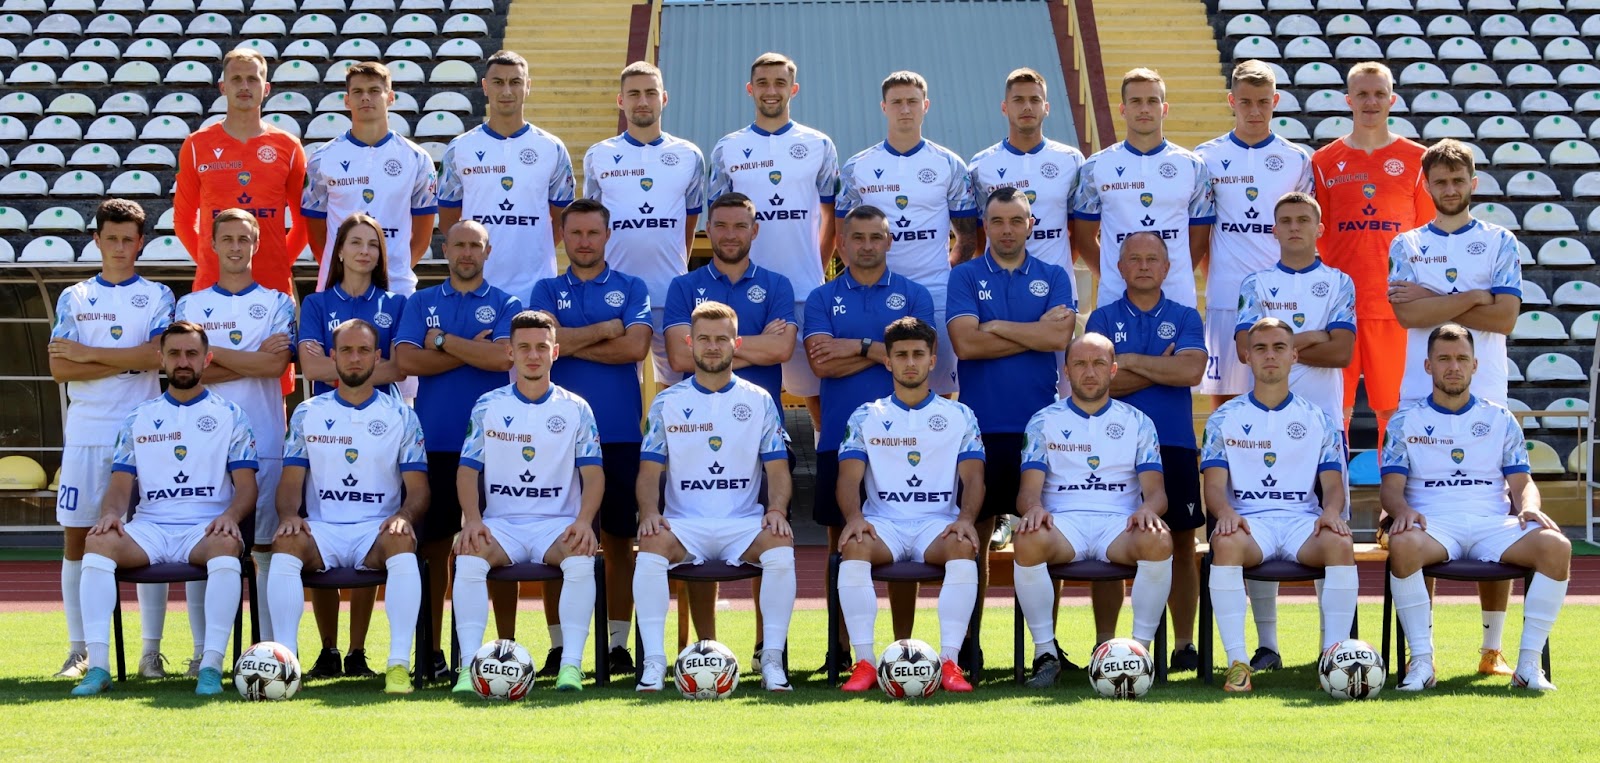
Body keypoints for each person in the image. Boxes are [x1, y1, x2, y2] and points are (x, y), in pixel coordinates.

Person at [1387, 138, 1525, 676]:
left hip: (1487, 391)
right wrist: (1474, 296)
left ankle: (1492, 648)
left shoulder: (1500, 241)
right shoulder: (1407, 243)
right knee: (1421, 514)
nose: (1449, 189)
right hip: (1419, 394)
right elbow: (1408, 317)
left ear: (1473, 183)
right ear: (1426, 185)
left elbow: (1505, 318)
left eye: (1458, 180)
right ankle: (1421, 651)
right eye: (1440, 181)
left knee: (1493, 513)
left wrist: (1438, 302)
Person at [68, 321, 258, 697]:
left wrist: (230, 517)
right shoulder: (137, 417)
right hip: (151, 528)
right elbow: (119, 486)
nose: (183, 361)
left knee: (225, 546)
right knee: (98, 542)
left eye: (191, 354)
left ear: (207, 359)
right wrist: (110, 515)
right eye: (174, 354)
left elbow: (248, 488)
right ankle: (99, 668)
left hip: (205, 529)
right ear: (161, 359)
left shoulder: (232, 415)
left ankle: (210, 668)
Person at [1382, 324, 1570, 691]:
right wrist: (1401, 510)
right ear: (1428, 365)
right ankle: (1421, 662)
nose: (1453, 367)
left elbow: (1523, 483)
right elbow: (1390, 490)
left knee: (1556, 546)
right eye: (1444, 359)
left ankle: (1528, 667)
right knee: (1403, 544)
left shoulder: (1501, 419)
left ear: (1475, 365)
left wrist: (1529, 506)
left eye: (1461, 358)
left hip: (1492, 524)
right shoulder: (1404, 422)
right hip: (1433, 525)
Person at [633, 301, 796, 693]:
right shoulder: (667, 402)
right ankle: (654, 663)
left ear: (736, 343)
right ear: (689, 342)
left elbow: (778, 469)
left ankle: (772, 660)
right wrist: (649, 512)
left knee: (780, 544)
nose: (712, 346)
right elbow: (649, 472)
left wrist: (776, 509)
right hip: (684, 525)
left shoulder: (759, 400)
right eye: (703, 338)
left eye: (721, 339)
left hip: (743, 524)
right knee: (651, 543)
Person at [945, 187, 1076, 666]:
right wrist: (1032, 332)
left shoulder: (1054, 275)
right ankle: (967, 646)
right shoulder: (964, 275)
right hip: (978, 429)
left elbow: (1059, 336)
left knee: (1041, 536)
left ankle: (1045, 650)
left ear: (1030, 224)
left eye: (1016, 220)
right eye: (997, 221)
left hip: (1040, 430)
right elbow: (966, 344)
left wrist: (995, 325)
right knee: (972, 540)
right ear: (985, 225)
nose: (1006, 230)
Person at [662, 191, 796, 649]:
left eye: (740, 225)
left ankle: (764, 648)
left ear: (755, 231)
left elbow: (783, 349)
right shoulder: (684, 286)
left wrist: (718, 349)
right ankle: (706, 647)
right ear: (707, 230)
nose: (731, 234)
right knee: (698, 533)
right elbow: (680, 356)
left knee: (768, 534)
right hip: (695, 426)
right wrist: (755, 343)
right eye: (721, 225)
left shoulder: (777, 285)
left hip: (760, 428)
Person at [803, 205, 935, 671]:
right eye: (856, 237)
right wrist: (882, 352)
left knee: (903, 547)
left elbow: (917, 361)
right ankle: (840, 649)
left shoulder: (914, 294)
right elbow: (821, 364)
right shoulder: (822, 297)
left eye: (875, 236)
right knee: (841, 546)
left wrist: (855, 346)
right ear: (840, 244)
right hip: (840, 439)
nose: (866, 245)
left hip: (905, 441)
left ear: (888, 241)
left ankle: (903, 651)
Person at [267, 319, 429, 694]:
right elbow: (290, 481)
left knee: (402, 541)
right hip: (323, 529)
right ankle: (286, 668)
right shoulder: (307, 413)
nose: (355, 358)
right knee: (286, 541)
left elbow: (419, 489)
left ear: (377, 356)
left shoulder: (402, 415)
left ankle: (398, 666)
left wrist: (404, 516)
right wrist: (289, 516)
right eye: (346, 351)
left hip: (376, 530)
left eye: (363, 351)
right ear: (333, 356)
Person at [48, 199, 174, 680]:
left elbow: (156, 357)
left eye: (128, 239)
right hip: (87, 432)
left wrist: (88, 353)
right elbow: (60, 367)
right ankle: (78, 650)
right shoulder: (74, 297)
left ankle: (150, 652)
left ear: (141, 243)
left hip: (145, 435)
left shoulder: (158, 294)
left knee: (152, 537)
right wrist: (125, 358)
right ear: (96, 240)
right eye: (111, 238)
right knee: (77, 538)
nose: (120, 247)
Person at [528, 199, 654, 678]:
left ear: (607, 236)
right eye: (575, 233)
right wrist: (603, 330)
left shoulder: (632, 287)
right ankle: (561, 647)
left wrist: (568, 341)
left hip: (618, 433)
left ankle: (618, 644)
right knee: (558, 538)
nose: (584, 242)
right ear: (563, 237)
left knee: (620, 542)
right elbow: (543, 348)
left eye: (592, 233)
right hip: (555, 437)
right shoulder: (544, 289)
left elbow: (635, 347)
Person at [1232, 192, 1358, 671]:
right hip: (1262, 425)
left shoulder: (1339, 281)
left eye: (1303, 219)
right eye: (1284, 220)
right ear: (1274, 229)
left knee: (1330, 526)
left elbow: (1342, 351)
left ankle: (1332, 647)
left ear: (1319, 227)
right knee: (1256, 520)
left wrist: (1280, 343)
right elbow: (1245, 349)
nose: (1294, 227)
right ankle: (1268, 646)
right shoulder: (1256, 283)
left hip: (1321, 426)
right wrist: (1313, 336)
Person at [452, 311, 604, 693]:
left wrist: (584, 521)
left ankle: (570, 667)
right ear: (510, 352)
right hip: (502, 525)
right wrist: (472, 520)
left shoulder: (577, 408)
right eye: (524, 347)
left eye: (541, 347)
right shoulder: (487, 406)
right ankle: (469, 669)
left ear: (555, 351)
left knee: (580, 554)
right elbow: (467, 471)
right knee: (469, 555)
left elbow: (594, 475)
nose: (533, 355)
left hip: (556, 524)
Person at [394, 221, 520, 679]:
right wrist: (471, 350)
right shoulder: (421, 301)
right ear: (445, 248)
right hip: (438, 440)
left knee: (498, 541)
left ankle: (506, 650)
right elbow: (406, 361)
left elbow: (501, 357)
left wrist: (443, 341)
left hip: (497, 444)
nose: (467, 252)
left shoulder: (506, 303)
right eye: (459, 244)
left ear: (488, 251)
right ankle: (431, 653)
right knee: (434, 547)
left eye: (475, 245)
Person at [1202, 317, 1356, 693]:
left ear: (1294, 356)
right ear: (1247, 357)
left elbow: (1333, 485)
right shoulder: (1223, 419)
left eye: (1278, 348)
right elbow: (1214, 486)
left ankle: (1332, 660)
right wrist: (1225, 514)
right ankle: (1238, 665)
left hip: (1302, 522)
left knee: (1340, 543)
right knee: (1225, 543)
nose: (1270, 356)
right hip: (1250, 523)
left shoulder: (1318, 418)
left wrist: (1331, 513)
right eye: (1260, 348)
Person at [170, 209, 294, 672]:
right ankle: (203, 652)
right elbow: (185, 371)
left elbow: (274, 367)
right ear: (213, 244)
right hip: (202, 443)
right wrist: (249, 358)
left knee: (266, 549)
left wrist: (212, 355)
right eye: (227, 239)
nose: (236, 247)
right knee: (205, 543)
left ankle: (271, 652)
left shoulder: (278, 302)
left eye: (245, 239)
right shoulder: (190, 306)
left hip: (264, 439)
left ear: (256, 244)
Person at [1013, 334, 1173, 688]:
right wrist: (1034, 509)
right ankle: (1046, 655)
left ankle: (1137, 655)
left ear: (1113, 370)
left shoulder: (1138, 421)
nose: (1089, 372)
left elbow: (1157, 493)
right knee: (1026, 537)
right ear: (1066, 370)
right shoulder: (1043, 421)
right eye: (1080, 364)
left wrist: (1148, 509)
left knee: (1160, 539)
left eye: (1099, 363)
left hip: (1119, 525)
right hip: (1063, 524)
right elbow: (1027, 493)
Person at [834, 316, 985, 694]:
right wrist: (854, 517)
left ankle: (949, 663)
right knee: (854, 545)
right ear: (888, 361)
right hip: (883, 524)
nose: (911, 362)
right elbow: (848, 478)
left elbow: (974, 478)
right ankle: (865, 663)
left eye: (919, 354)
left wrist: (967, 519)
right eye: (901, 355)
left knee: (963, 545)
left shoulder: (960, 415)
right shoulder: (865, 416)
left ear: (933, 360)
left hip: (936, 524)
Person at [1084, 232, 1206, 669]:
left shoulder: (1185, 315)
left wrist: (1129, 361)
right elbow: (1097, 383)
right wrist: (1160, 364)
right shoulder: (1101, 317)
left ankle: (1184, 646)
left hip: (1173, 442)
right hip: (1113, 447)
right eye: (1134, 259)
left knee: (1183, 543)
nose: (1143, 266)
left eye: (1152, 259)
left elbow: (1190, 372)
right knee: (1108, 541)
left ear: (1167, 267)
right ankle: (1106, 645)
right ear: (1119, 268)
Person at [294, 212, 407, 678]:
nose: (364, 251)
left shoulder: (395, 304)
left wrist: (342, 366)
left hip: (381, 425)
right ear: (338, 251)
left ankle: (358, 650)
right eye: (355, 243)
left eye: (373, 244)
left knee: (371, 527)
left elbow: (400, 367)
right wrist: (366, 368)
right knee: (323, 526)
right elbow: (310, 368)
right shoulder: (317, 304)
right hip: (326, 427)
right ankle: (327, 650)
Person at [708, 51, 839, 430]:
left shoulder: (819, 144)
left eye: (780, 83)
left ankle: (823, 457)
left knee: (815, 392)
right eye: (763, 83)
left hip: (803, 291)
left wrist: (815, 267)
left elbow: (831, 217)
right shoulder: (727, 148)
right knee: (740, 392)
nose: (771, 90)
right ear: (750, 89)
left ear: (793, 89)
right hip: (743, 293)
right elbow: (719, 223)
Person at [1310, 61, 1433, 442]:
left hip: (1393, 304)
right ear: (1348, 100)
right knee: (1336, 408)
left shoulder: (1418, 160)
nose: (1371, 102)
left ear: (1392, 99)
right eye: (1362, 94)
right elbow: (1319, 233)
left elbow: (1427, 233)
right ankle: (1335, 483)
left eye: (1379, 94)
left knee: (1392, 409)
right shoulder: (1323, 161)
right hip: (1339, 304)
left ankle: (1392, 485)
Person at [836, 70, 979, 396]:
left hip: (936, 291)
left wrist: (945, 275)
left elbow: (968, 238)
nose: (905, 109)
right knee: (878, 378)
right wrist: (866, 280)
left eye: (912, 102)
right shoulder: (857, 166)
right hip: (876, 291)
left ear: (925, 105)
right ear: (883, 107)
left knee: (938, 385)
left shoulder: (949, 164)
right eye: (896, 102)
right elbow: (842, 237)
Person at [1194, 59, 1314, 407]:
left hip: (1282, 299)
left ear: (1275, 101)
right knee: (1226, 402)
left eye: (1263, 102)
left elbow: (1305, 234)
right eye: (1245, 102)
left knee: (1283, 396)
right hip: (1226, 297)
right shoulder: (1205, 157)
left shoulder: (1296, 159)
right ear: (1232, 101)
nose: (1255, 111)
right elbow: (1200, 230)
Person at [583, 61, 705, 389]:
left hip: (671, 293)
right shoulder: (598, 155)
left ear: (664, 98)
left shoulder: (689, 155)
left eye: (650, 93)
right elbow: (591, 224)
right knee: (619, 388)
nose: (642, 101)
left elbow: (689, 224)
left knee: (679, 387)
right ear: (620, 100)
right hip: (616, 295)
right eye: (634, 94)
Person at [969, 66, 1085, 402]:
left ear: (1046, 107)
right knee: (1002, 382)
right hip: (1000, 288)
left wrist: (1050, 271)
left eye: (1035, 100)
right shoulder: (981, 164)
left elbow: (1077, 229)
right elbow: (979, 232)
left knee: (1064, 391)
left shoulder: (1072, 160)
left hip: (1056, 291)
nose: (1027, 107)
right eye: (1018, 100)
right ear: (1004, 107)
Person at [437, 50, 576, 305]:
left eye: (515, 82)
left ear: (528, 86)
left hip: (536, 289)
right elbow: (448, 223)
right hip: (476, 288)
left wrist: (534, 249)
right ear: (485, 87)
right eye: (498, 82)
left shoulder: (552, 148)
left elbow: (562, 223)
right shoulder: (459, 148)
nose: (507, 91)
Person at [1071, 68, 1214, 309]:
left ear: (1164, 109)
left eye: (1152, 101)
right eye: (1136, 101)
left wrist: (1168, 276)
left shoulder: (1193, 166)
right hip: (1116, 297)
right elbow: (1084, 239)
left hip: (1176, 297)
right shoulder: (1095, 166)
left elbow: (1199, 241)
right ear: (1123, 109)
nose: (1144, 109)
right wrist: (1114, 276)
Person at [174, 48, 307, 300]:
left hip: (273, 288)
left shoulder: (289, 146)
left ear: (266, 88)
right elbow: (183, 222)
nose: (244, 86)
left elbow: (304, 224)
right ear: (223, 87)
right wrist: (213, 263)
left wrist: (278, 263)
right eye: (236, 79)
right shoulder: (195, 145)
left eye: (252, 79)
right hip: (212, 287)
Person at [302, 61, 438, 296]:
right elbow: (316, 236)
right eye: (358, 92)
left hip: (396, 288)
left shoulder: (417, 158)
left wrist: (389, 271)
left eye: (374, 90)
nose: (366, 97)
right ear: (347, 101)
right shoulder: (321, 159)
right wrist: (344, 272)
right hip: (338, 288)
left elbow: (422, 236)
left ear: (390, 97)